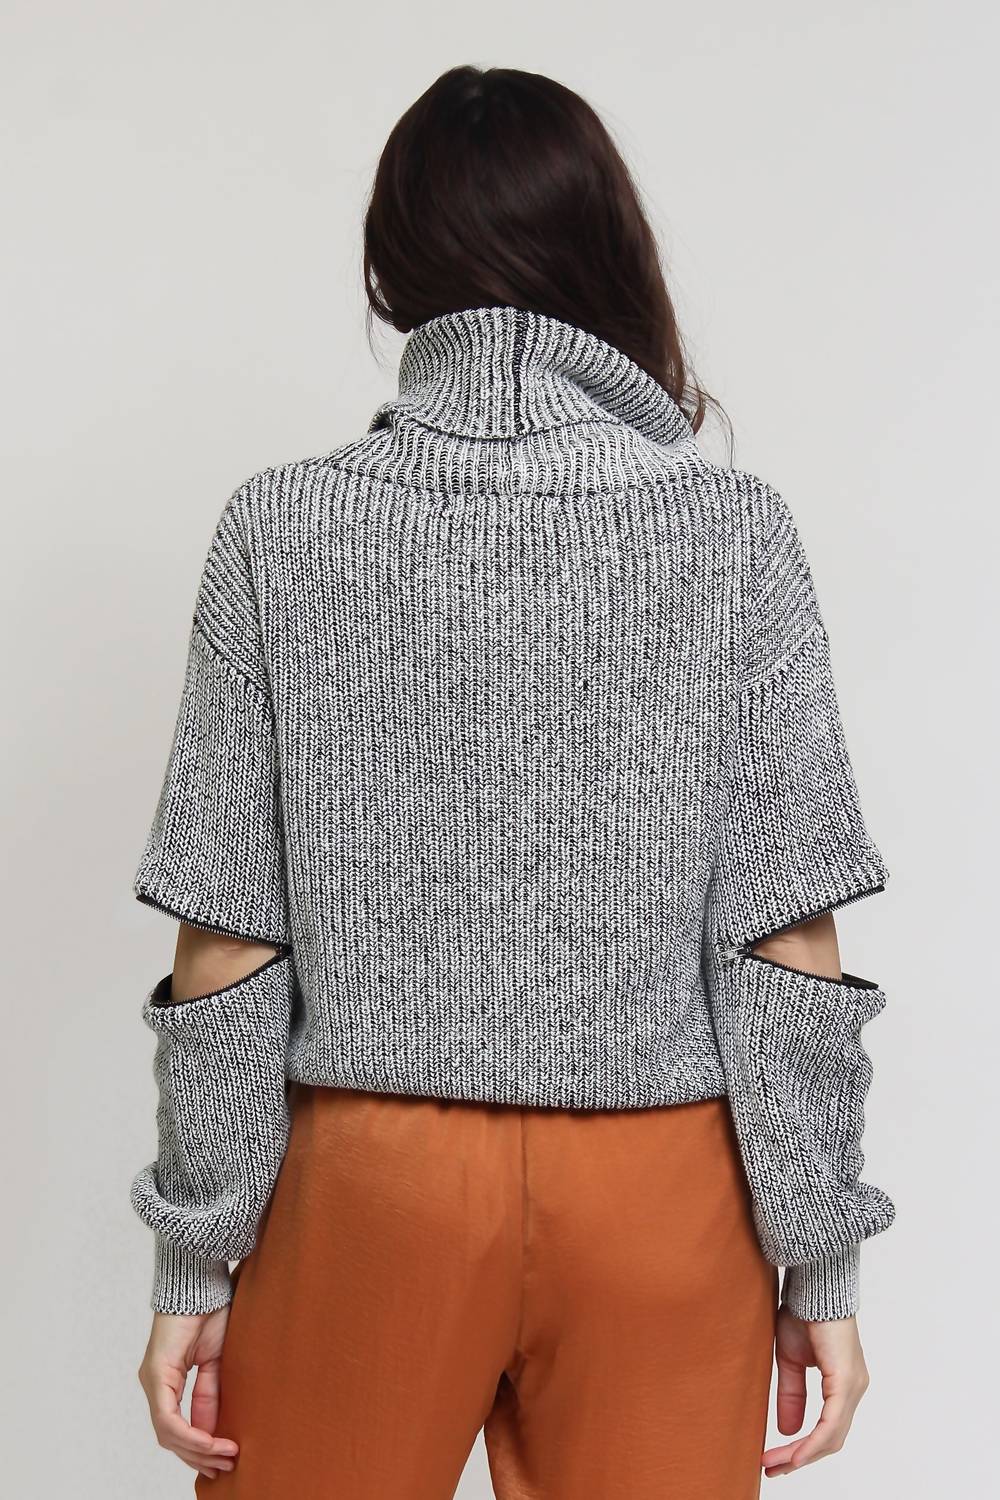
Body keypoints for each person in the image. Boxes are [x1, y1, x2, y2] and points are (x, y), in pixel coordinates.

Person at [130, 65, 894, 1500]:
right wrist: (822, 1265)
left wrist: (194, 1260)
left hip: (367, 1186)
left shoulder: (280, 530)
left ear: (389, 272)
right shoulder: (734, 532)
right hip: (666, 1189)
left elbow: (226, 940)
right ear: (609, 251)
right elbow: (788, 938)